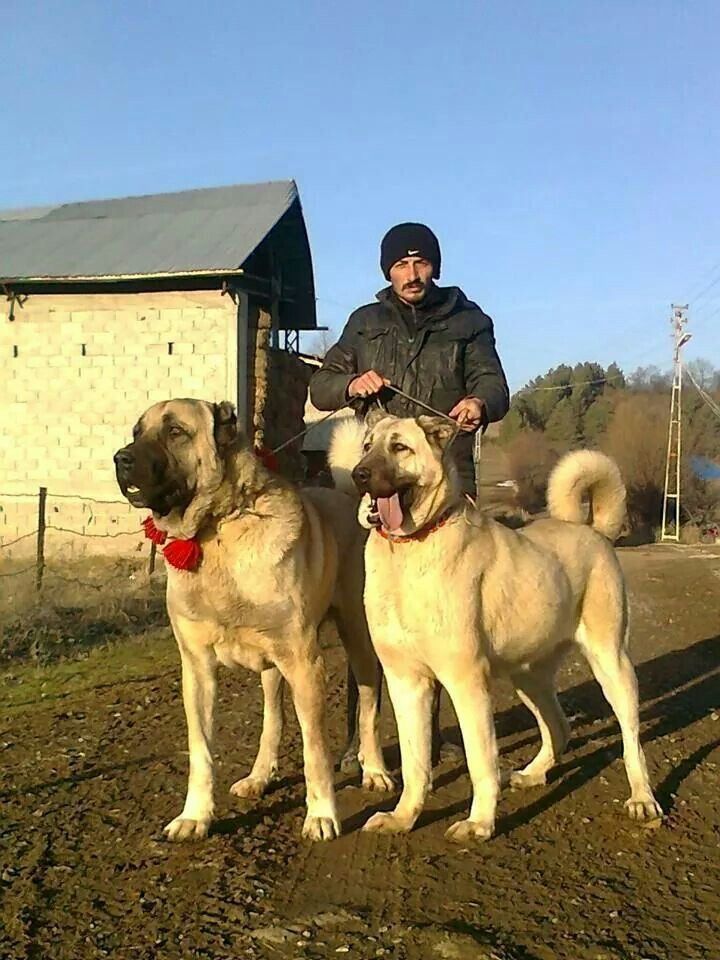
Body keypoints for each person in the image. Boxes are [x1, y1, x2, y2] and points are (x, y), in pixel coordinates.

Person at [309, 222, 509, 496]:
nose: (412, 274)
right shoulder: (364, 322)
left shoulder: (469, 320)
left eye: (421, 263)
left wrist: (479, 403)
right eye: (401, 264)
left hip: (447, 472)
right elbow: (321, 387)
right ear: (388, 271)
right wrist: (352, 384)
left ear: (435, 268)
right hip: (381, 472)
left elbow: (493, 384)